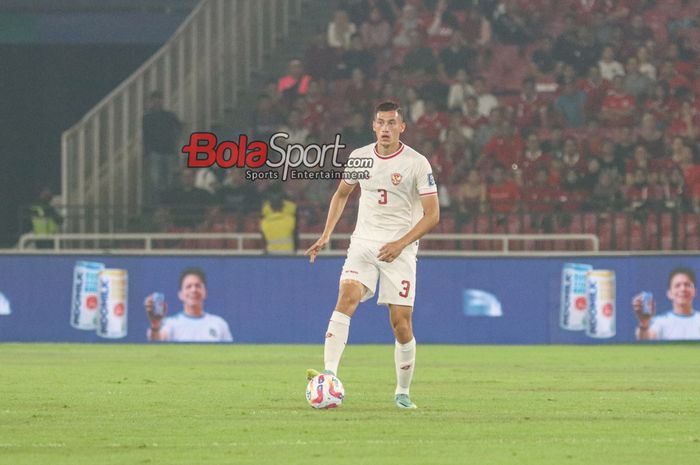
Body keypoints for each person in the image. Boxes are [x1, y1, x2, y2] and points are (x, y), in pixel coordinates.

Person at [304, 101, 440, 409]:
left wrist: (401, 244)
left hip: (400, 248)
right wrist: (326, 234)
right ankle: (329, 375)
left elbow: (432, 215)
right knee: (346, 296)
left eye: (392, 123)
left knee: (400, 324)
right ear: (373, 126)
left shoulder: (417, 163)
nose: (386, 128)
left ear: (402, 127)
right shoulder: (360, 157)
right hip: (363, 242)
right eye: (381, 123)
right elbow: (341, 194)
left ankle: (402, 392)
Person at [145, 267, 233, 342]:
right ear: (180, 295)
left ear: (205, 292)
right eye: (188, 286)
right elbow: (157, 341)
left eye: (198, 286)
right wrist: (155, 324)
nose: (193, 290)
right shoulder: (170, 323)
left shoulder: (219, 324)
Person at [633, 267, 700, 340]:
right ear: (669, 293)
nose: (683, 289)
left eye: (687, 285)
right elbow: (645, 340)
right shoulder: (660, 322)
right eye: (677, 285)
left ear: (695, 291)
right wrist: (644, 323)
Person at [142, 90, 183, 206]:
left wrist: (175, 141)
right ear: (151, 101)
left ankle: (167, 203)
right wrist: (146, 152)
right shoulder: (147, 117)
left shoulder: (169, 115)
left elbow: (179, 127)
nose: (157, 101)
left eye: (159, 99)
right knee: (155, 180)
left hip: (169, 151)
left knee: (169, 179)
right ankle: (158, 205)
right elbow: (146, 136)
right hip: (155, 152)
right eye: (155, 99)